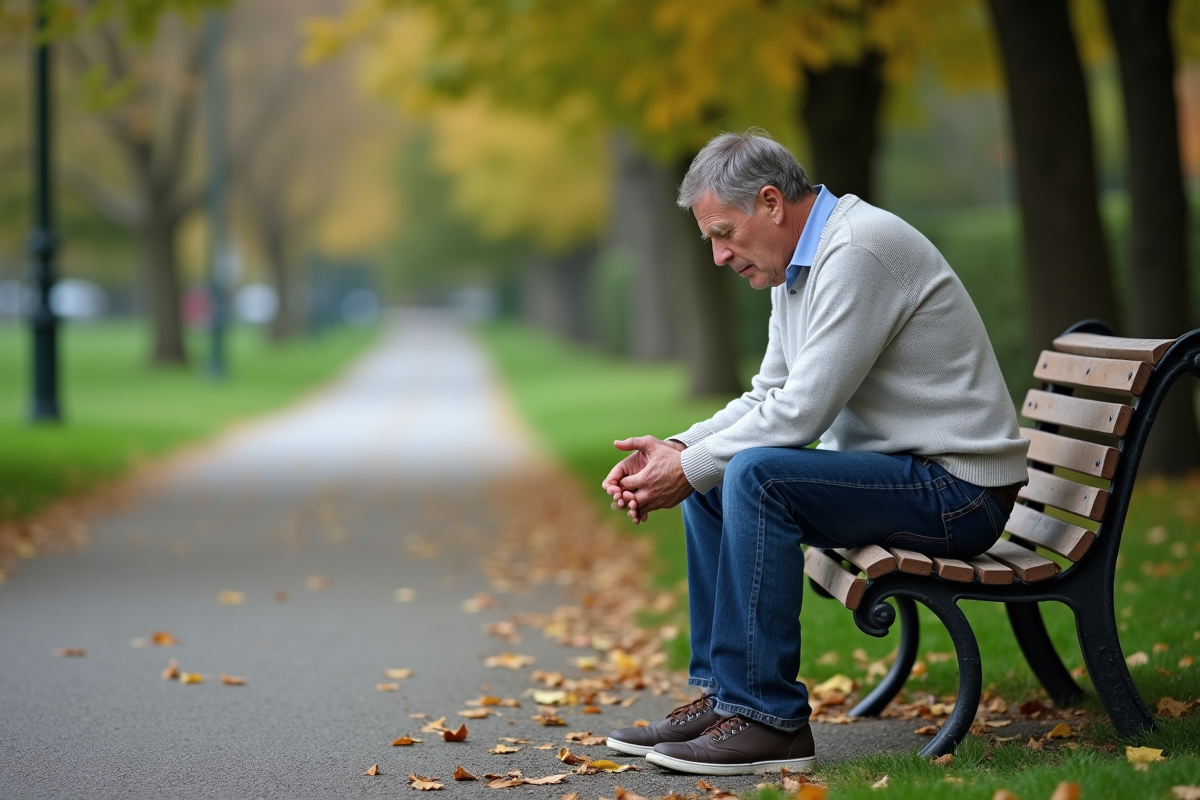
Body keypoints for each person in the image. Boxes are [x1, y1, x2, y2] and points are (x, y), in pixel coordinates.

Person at [601, 129, 1029, 776]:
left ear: (772, 203)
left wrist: (686, 467)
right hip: (908, 475)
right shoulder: (794, 266)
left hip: (958, 493)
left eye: (724, 234)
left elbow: (802, 415)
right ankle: (726, 699)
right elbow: (769, 393)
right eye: (710, 240)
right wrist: (681, 450)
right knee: (720, 476)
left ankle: (770, 721)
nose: (718, 256)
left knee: (754, 475)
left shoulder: (856, 252)